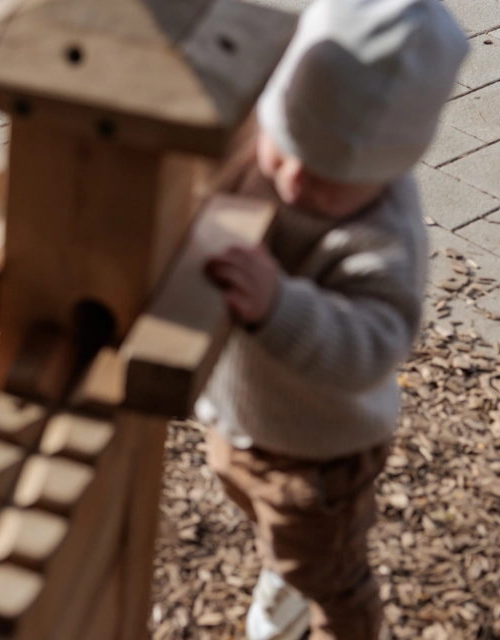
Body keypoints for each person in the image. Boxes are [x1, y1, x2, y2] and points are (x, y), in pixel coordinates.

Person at [196, 1, 468, 638]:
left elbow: (374, 346)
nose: (292, 180)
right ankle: (285, 572)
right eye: (284, 147)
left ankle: (321, 607)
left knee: (330, 574)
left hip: (316, 458)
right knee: (262, 520)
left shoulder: (382, 241)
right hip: (240, 416)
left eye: (327, 181)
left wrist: (280, 305)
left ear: (390, 167)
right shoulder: (264, 129)